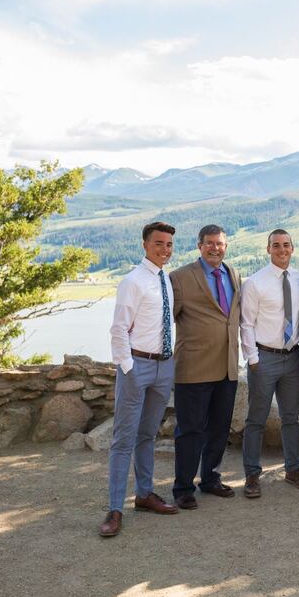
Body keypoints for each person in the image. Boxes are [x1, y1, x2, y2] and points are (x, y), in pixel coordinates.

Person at [101, 221, 179, 537]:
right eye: (159, 243)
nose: (165, 249)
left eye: (169, 244)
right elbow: (119, 329)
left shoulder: (166, 280)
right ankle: (114, 509)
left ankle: (145, 494)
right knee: (123, 439)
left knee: (148, 434)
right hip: (138, 367)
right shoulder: (132, 281)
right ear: (145, 245)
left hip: (164, 367)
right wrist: (129, 369)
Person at [168, 225, 242, 510]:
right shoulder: (180, 278)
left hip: (227, 367)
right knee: (190, 430)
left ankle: (210, 478)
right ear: (199, 246)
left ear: (226, 246)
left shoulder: (233, 274)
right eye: (209, 243)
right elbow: (167, 320)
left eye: (220, 244)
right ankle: (183, 487)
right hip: (193, 367)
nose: (215, 248)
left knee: (220, 428)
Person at [239, 228, 299, 499]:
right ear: (268, 249)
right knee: (256, 419)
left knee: (291, 417)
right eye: (276, 245)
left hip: (292, 357)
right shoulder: (255, 283)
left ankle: (293, 470)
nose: (282, 250)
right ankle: (251, 475)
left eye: (286, 245)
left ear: (293, 248)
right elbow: (246, 323)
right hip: (265, 359)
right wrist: (253, 359)